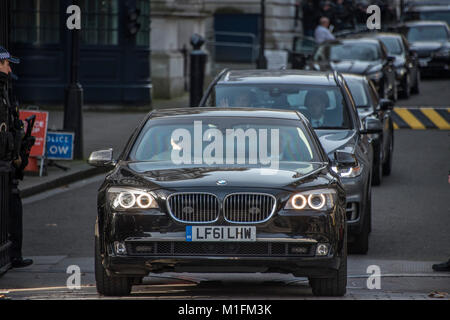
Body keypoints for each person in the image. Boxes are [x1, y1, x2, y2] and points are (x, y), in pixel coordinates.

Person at [0, 46, 34, 268]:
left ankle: (13, 255)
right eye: (5, 63)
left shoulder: (6, 89)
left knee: (13, 207)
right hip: (4, 161)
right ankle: (11, 255)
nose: (9, 68)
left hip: (8, 162)